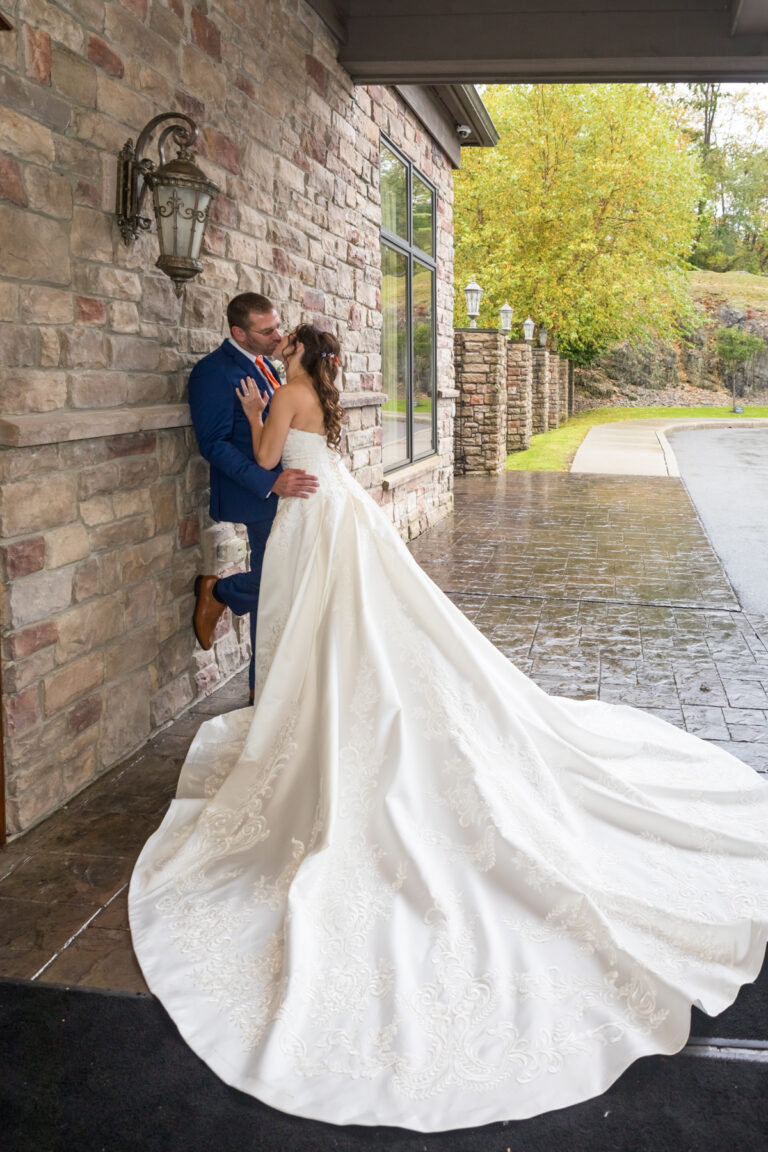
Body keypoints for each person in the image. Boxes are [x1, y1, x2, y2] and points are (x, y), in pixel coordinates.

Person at [130, 324, 768, 1134]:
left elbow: (262, 461)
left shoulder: (281, 390)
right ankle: (314, 696)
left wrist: (259, 407)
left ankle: (301, 699)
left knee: (318, 629)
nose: (275, 351)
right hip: (337, 516)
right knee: (344, 628)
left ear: (291, 356)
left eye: (280, 346)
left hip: (308, 522)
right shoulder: (317, 392)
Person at [188, 293, 319, 704]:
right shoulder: (212, 372)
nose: (276, 336)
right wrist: (269, 483)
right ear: (238, 332)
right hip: (258, 496)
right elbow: (214, 444)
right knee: (276, 582)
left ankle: (226, 599)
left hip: (289, 495)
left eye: (278, 327)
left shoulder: (270, 367)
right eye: (267, 331)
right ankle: (259, 687)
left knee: (285, 581)